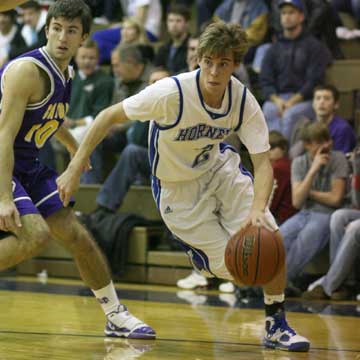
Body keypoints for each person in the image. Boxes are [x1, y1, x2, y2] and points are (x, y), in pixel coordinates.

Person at [57, 21, 310, 352]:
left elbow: (262, 163)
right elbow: (107, 116)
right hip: (177, 190)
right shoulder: (169, 93)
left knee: (271, 241)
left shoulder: (242, 100)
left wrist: (258, 209)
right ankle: (203, 261)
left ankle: (276, 325)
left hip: (219, 168)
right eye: (208, 61)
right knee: (238, 268)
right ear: (199, 60)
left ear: (235, 65)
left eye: (223, 64)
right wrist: (75, 167)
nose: (214, 71)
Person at [0, 0, 155, 339]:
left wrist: (72, 146)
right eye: (57, 28)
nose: (62, 37)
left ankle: (115, 314)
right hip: (3, 158)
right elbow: (4, 135)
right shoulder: (27, 70)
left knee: (78, 235)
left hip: (26, 164)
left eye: (71, 31)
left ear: (84, 36)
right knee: (35, 235)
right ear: (46, 29)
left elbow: (49, 117)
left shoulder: (66, 72)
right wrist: (3, 198)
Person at [280, 122, 348, 282]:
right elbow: (297, 202)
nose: (327, 145)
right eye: (320, 142)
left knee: (307, 237)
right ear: (307, 145)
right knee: (279, 237)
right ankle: (260, 280)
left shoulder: (338, 158)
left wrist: (307, 192)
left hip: (326, 214)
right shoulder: (299, 162)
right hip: (304, 213)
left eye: (328, 140)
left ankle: (278, 283)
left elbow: (335, 199)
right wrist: (313, 170)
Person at [260, 0, 332, 141]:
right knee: (269, 109)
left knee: (290, 114)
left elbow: (314, 81)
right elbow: (265, 80)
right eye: (284, 13)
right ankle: (273, 157)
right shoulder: (273, 49)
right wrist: (277, 100)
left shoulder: (314, 46)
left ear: (301, 16)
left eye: (291, 12)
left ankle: (285, 157)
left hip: (305, 100)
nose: (287, 17)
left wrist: (292, 102)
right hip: (278, 98)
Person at [289, 84, 357, 159]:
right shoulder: (305, 124)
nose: (321, 102)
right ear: (313, 103)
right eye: (318, 98)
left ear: (336, 104)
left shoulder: (342, 128)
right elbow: (293, 155)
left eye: (327, 99)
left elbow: (341, 160)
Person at [268, 131, 298, 225]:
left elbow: (272, 201)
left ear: (283, 148)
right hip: (288, 216)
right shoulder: (287, 163)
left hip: (282, 218)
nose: (268, 152)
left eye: (272, 148)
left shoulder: (279, 167)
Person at [154, 4, 191, 74]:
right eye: (171, 21)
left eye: (178, 21)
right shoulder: (163, 49)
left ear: (187, 23)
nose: (174, 25)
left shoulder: (193, 47)